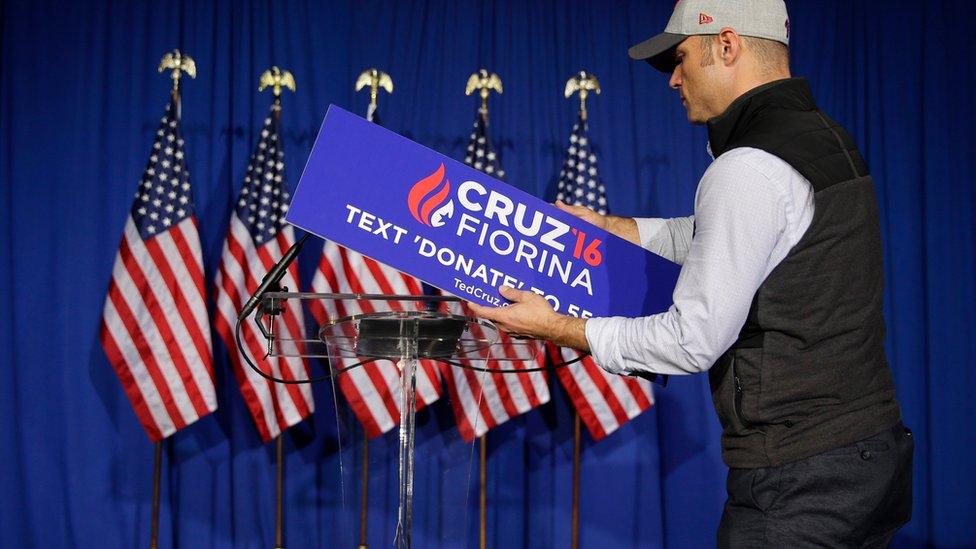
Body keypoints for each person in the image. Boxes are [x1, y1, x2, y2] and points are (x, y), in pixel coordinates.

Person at [468, 0, 914, 546]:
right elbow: (734, 239)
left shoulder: (746, 167)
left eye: (681, 58)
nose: (674, 79)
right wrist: (606, 226)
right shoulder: (826, 139)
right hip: (870, 453)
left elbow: (692, 340)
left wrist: (560, 327)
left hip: (800, 481)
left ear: (727, 46)